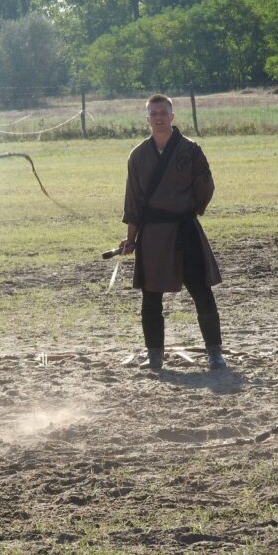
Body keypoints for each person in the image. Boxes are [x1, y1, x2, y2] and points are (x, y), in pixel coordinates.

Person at [119, 93, 226, 370]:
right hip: (152, 233)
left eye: (163, 113)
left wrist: (188, 211)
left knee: (201, 290)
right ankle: (154, 354)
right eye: (153, 113)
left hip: (184, 228)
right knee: (151, 295)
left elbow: (205, 187)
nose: (158, 118)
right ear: (147, 119)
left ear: (172, 116)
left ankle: (215, 352)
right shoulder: (138, 156)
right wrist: (131, 240)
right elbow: (133, 202)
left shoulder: (191, 150)